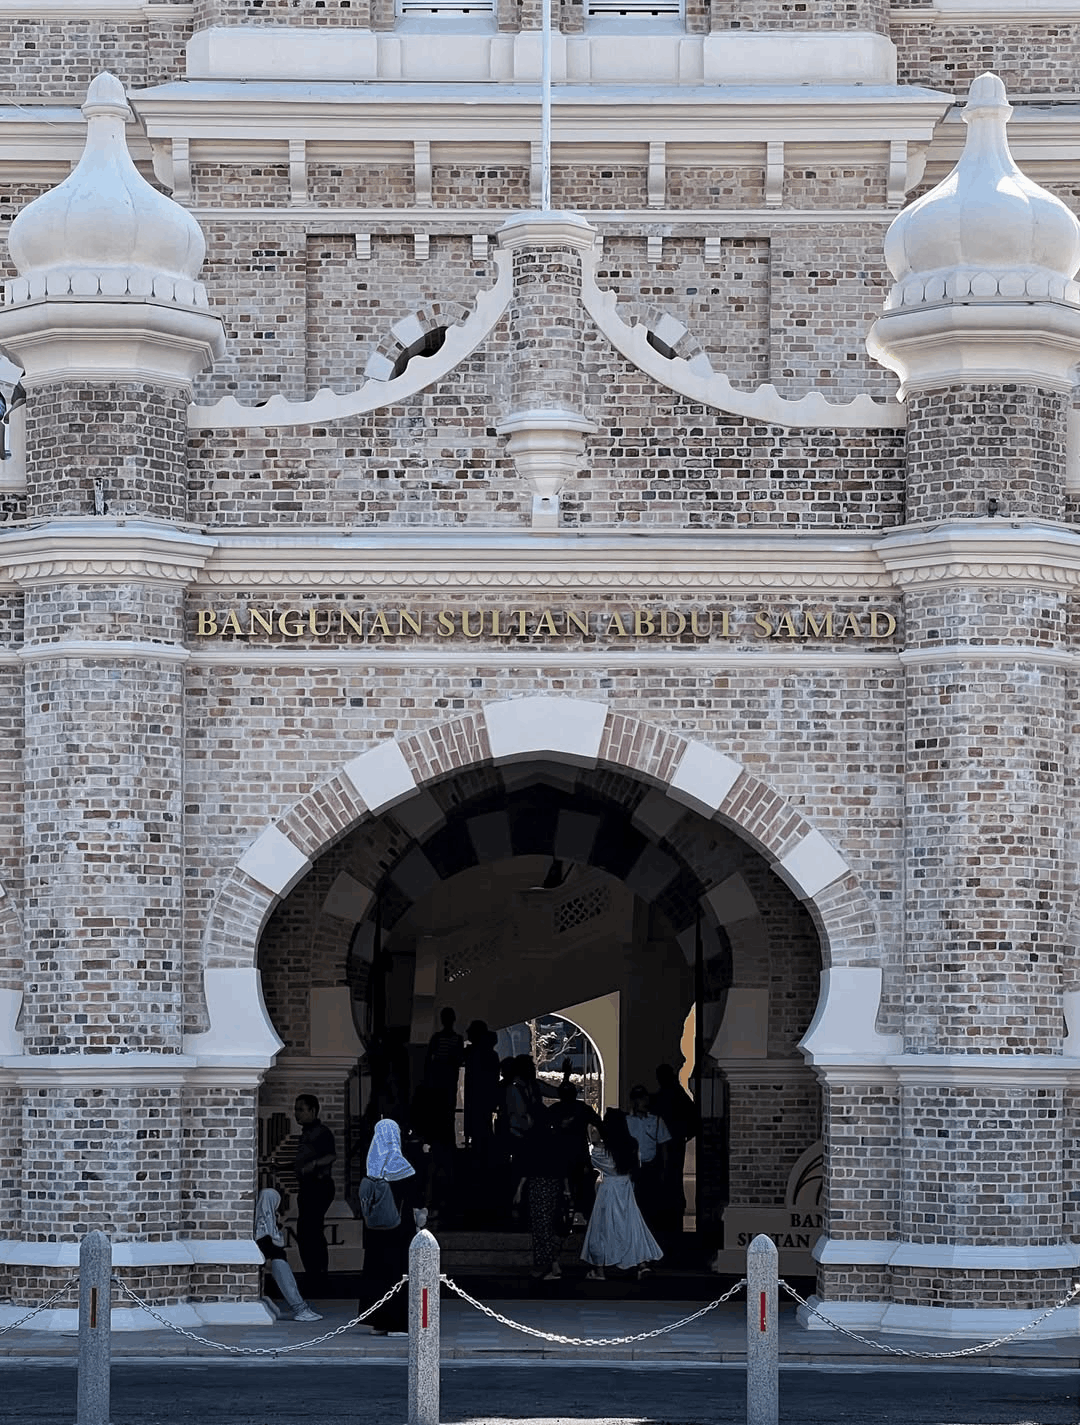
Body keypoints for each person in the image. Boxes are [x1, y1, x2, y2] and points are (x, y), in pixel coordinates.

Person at [580, 1109, 662, 1281]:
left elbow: (594, 1156)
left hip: (608, 1189)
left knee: (601, 1228)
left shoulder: (601, 1150)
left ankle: (599, 1269)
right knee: (632, 1226)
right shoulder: (632, 1145)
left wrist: (593, 1135)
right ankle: (641, 1264)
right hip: (626, 1188)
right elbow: (636, 1168)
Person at [359, 1118, 423, 1336]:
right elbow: (417, 1202)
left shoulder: (371, 1167)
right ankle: (397, 1323)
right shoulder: (404, 1168)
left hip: (375, 1232)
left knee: (377, 1273)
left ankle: (378, 1322)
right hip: (399, 1230)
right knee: (398, 1273)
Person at [513, 1103, 572, 1282]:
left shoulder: (531, 1138)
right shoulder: (555, 1137)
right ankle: (553, 1262)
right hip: (553, 1184)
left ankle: (544, 1264)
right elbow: (563, 1166)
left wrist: (519, 1189)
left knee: (540, 1226)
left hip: (538, 1184)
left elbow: (527, 1166)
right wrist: (567, 1190)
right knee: (550, 1224)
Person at [254, 1187, 322, 1323]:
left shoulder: (269, 1220)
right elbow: (270, 1244)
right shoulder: (265, 1225)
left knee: (290, 1284)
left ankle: (301, 1308)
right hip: (274, 1258)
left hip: (276, 1257)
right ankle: (300, 1309)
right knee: (288, 1284)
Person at [293, 1094, 336, 1292]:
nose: (297, 1113)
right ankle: (314, 1274)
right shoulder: (307, 1132)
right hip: (307, 1187)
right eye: (296, 1109)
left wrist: (313, 1165)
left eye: (301, 1109)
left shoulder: (321, 1132)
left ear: (313, 1110)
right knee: (306, 1231)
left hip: (318, 1187)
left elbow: (330, 1156)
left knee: (312, 1231)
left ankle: (319, 1276)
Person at [652, 1064, 701, 1235]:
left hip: (667, 1145)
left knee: (667, 1179)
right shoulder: (677, 1096)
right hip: (672, 1143)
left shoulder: (664, 1097)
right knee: (672, 1179)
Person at [549, 1081, 603, 1223]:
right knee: (581, 1189)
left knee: (570, 1189)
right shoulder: (581, 1108)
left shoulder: (556, 1109)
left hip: (563, 1156)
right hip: (574, 1155)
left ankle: (567, 1218)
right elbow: (599, 1123)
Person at [626, 1083, 671, 1235]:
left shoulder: (656, 1120)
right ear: (633, 1101)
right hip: (632, 1168)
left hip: (650, 1167)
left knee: (651, 1206)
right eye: (639, 1098)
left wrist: (664, 1169)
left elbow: (663, 1145)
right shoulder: (626, 1121)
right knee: (633, 1204)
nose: (643, 1101)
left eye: (644, 1098)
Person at [424, 1006, 465, 1146]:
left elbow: (428, 1059)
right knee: (448, 1112)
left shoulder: (437, 1038)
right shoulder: (457, 1039)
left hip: (438, 1080)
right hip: (449, 1080)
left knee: (439, 1112)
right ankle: (448, 1142)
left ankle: (438, 1142)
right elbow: (459, 1059)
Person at [463, 1020, 500, 1156]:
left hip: (475, 1098)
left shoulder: (473, 1053)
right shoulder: (491, 1054)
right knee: (484, 1129)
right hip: (485, 1099)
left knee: (478, 1130)